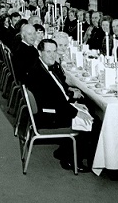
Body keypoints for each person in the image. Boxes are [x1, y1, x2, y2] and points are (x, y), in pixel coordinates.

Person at [24, 39, 95, 172]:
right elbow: (54, 102)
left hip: (51, 109)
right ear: (40, 52)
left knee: (88, 106)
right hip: (47, 116)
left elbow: (57, 94)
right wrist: (76, 111)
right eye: (48, 51)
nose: (52, 55)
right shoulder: (38, 73)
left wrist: (74, 102)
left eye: (54, 51)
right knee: (91, 120)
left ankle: (64, 150)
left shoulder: (44, 67)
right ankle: (71, 160)